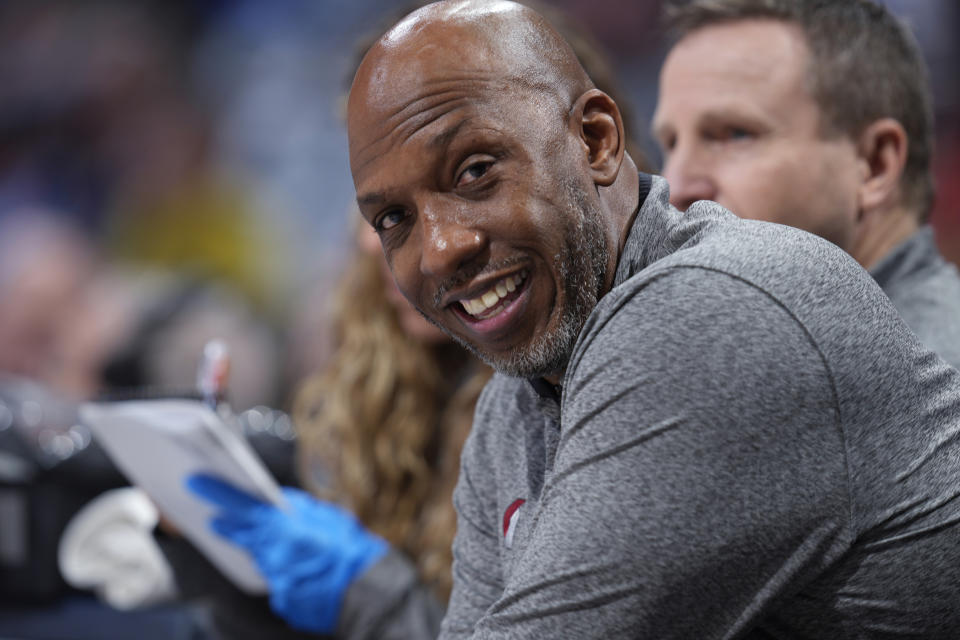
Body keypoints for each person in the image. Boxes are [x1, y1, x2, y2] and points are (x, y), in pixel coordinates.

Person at [342, 0, 960, 637]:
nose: (442, 248)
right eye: (394, 219)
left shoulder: (713, 311)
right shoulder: (513, 405)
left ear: (596, 141)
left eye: (475, 171)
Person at [652, 0, 960, 369]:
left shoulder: (928, 379)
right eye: (671, 143)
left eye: (734, 135)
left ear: (874, 165)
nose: (676, 186)